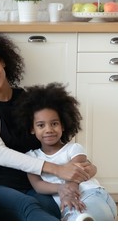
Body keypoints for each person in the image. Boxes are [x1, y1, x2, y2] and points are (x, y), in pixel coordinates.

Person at [0, 32, 96, 221]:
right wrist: (57, 170)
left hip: (40, 185)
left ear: (3, 62)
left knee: (52, 208)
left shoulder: (32, 98)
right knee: (28, 206)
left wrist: (84, 168)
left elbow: (56, 141)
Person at [15, 82, 117, 221]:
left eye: (54, 123)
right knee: (72, 214)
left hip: (91, 194)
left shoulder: (74, 149)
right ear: (32, 129)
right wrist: (60, 189)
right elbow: (38, 186)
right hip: (66, 204)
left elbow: (76, 175)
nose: (49, 129)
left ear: (63, 125)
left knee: (84, 211)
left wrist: (69, 192)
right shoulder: (31, 157)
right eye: (41, 125)